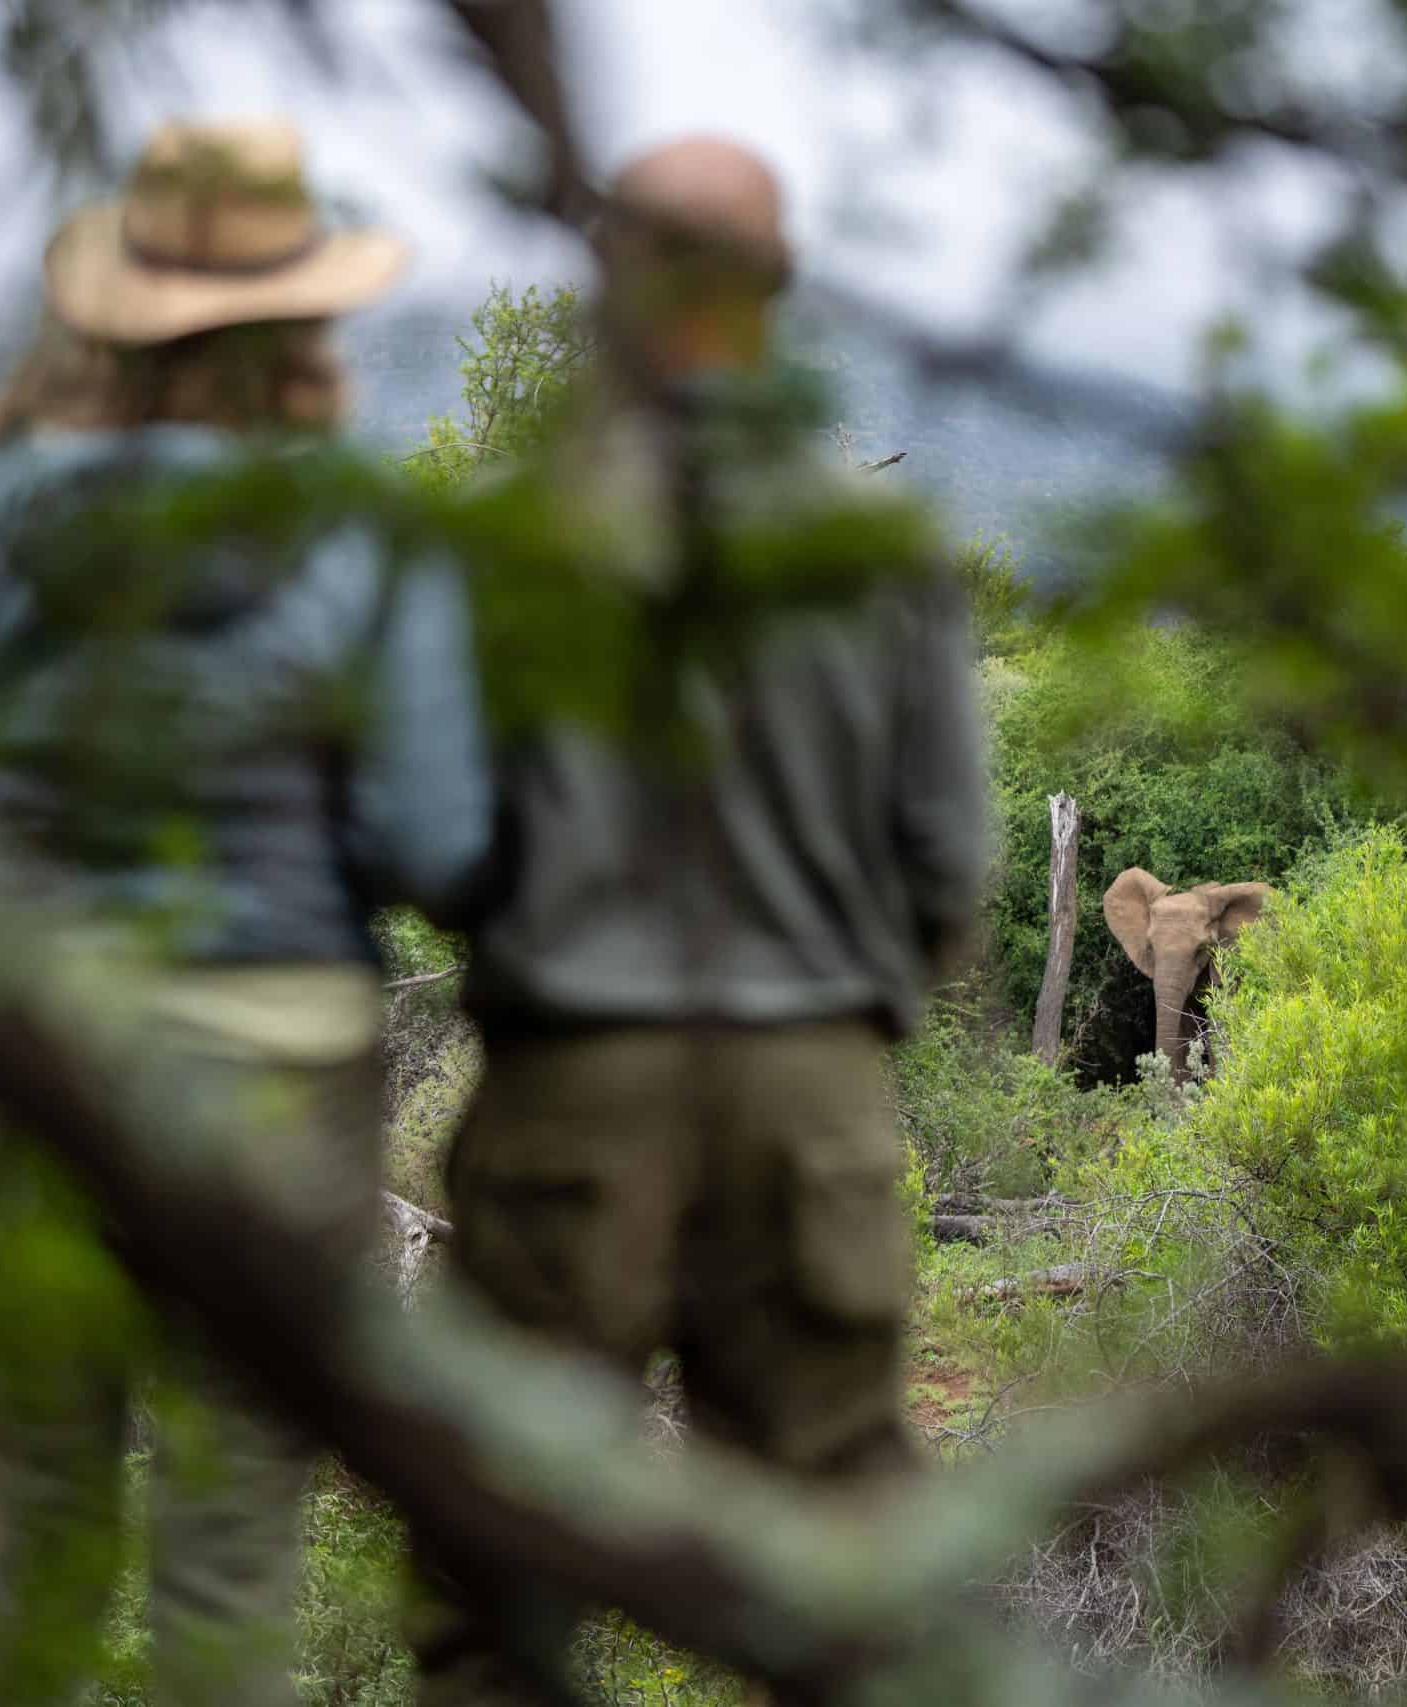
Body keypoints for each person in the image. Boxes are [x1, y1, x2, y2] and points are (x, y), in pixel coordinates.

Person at [0, 119, 490, 1707]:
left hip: (27, 1069)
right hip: (276, 1070)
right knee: (232, 1542)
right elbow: (436, 839)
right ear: (295, 316)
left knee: (33, 1521)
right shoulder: (355, 527)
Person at [410, 135, 989, 1706]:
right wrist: (837, 1009)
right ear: (780, 287)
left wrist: (535, 930)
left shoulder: (510, 530)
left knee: (501, 1577)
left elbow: (434, 842)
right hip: (812, 1081)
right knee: (845, 1578)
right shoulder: (880, 550)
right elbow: (950, 863)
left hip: (567, 1077)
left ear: (608, 273)